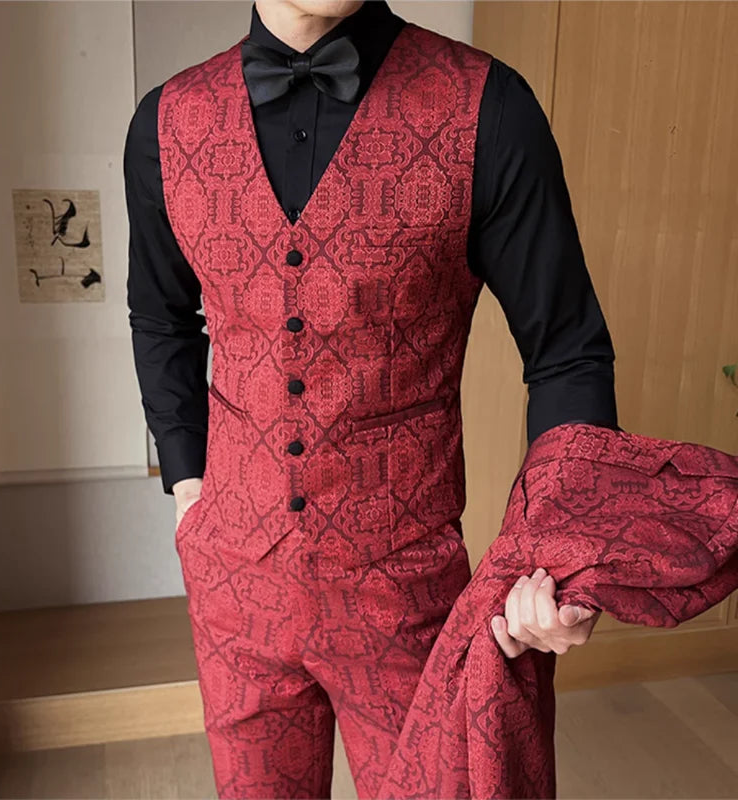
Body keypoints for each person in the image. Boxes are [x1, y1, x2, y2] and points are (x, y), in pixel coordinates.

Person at [123, 1, 613, 795]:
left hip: (407, 593)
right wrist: (188, 485)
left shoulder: (487, 106)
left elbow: (566, 348)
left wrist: (563, 549)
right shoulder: (165, 122)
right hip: (233, 589)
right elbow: (161, 316)